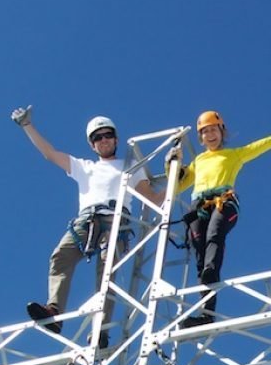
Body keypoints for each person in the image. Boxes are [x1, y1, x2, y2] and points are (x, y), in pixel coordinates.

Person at [11, 105, 160, 346]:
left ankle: (100, 329)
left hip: (115, 222)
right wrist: (27, 125)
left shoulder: (130, 166)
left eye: (107, 135)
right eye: (97, 138)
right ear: (92, 145)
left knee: (106, 272)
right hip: (86, 221)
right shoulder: (85, 167)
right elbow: (50, 154)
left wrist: (182, 177)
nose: (103, 140)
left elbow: (151, 198)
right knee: (60, 257)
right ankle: (54, 313)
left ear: (116, 138)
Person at [167, 111, 271, 328]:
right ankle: (205, 313)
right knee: (200, 258)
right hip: (199, 207)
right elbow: (175, 187)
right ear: (201, 138)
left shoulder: (235, 155)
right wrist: (172, 165)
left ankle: (210, 271)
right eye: (205, 132)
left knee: (214, 237)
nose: (210, 135)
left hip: (223, 202)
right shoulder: (198, 161)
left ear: (222, 132)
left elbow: (267, 143)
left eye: (213, 130)